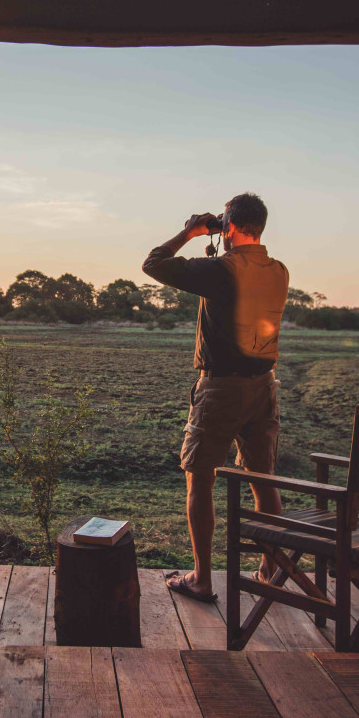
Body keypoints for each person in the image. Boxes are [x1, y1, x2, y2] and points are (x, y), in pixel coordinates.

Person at [142, 192, 289, 603]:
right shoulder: (278, 270)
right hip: (265, 387)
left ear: (231, 227)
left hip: (222, 388)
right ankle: (270, 572)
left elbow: (153, 263)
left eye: (225, 222)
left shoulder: (222, 269)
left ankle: (202, 578)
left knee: (200, 478)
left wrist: (190, 231)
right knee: (263, 479)